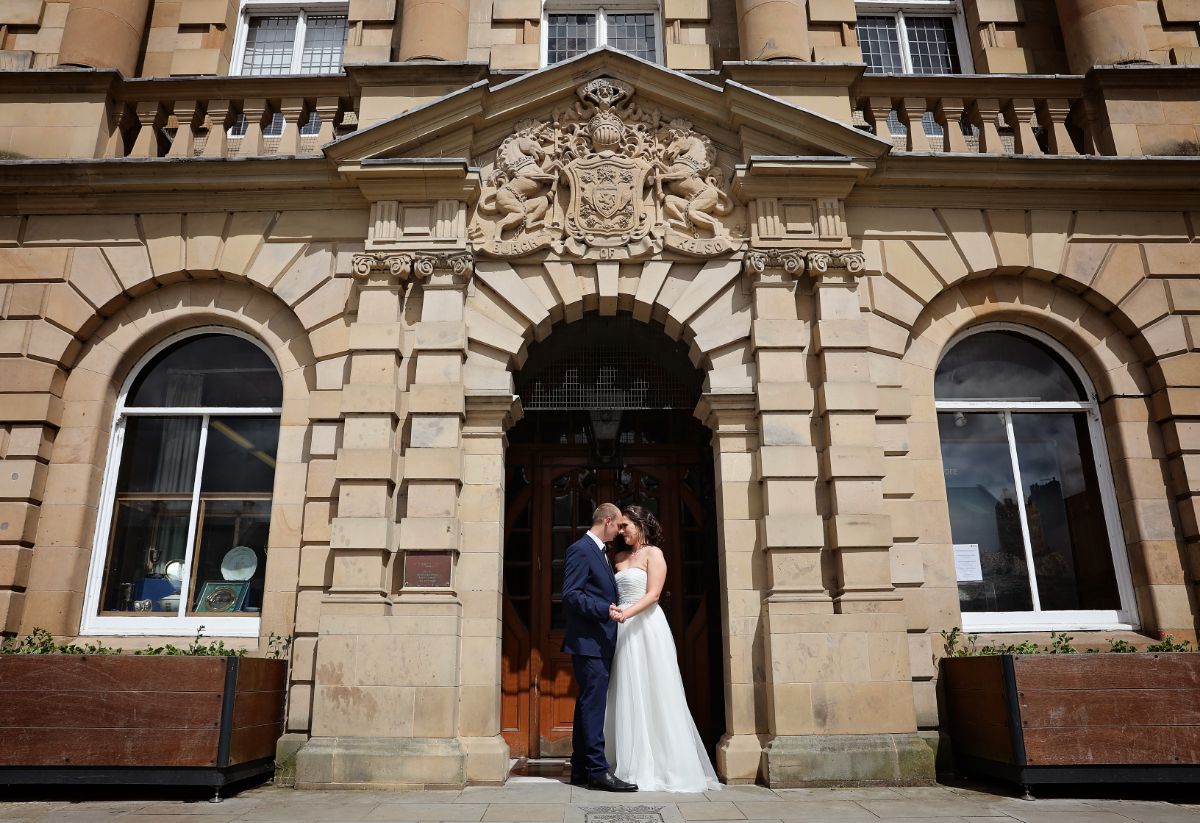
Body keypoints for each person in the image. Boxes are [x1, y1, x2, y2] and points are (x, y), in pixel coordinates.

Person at [605, 505, 721, 792]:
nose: (621, 532)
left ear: (641, 525)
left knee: (656, 689)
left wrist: (626, 613)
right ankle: (630, 761)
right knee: (628, 690)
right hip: (623, 630)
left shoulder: (654, 554)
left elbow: (654, 595)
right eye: (619, 527)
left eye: (626, 526)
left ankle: (664, 763)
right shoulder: (617, 557)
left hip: (646, 627)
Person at [561, 502, 638, 792]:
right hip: (588, 642)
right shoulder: (581, 549)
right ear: (606, 521)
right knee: (593, 705)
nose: (620, 531)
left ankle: (580, 766)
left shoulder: (601, 552)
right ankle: (597, 770)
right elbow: (571, 595)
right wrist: (604, 609)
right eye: (618, 525)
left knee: (587, 703)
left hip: (598, 642)